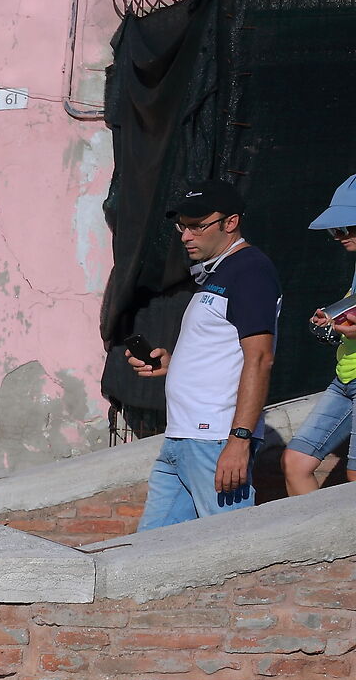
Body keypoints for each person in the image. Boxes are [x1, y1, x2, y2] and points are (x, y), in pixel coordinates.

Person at [125, 185, 280, 529]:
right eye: (182, 226)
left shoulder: (250, 270)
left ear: (231, 223)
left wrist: (238, 440)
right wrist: (172, 363)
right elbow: (222, 349)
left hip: (215, 439)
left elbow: (259, 359)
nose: (186, 236)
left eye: (198, 226)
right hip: (181, 437)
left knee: (230, 546)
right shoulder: (217, 272)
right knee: (147, 553)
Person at [284, 173, 356, 495]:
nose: (337, 235)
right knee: (295, 462)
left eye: (344, 227)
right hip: (344, 379)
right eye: (334, 229)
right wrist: (332, 321)